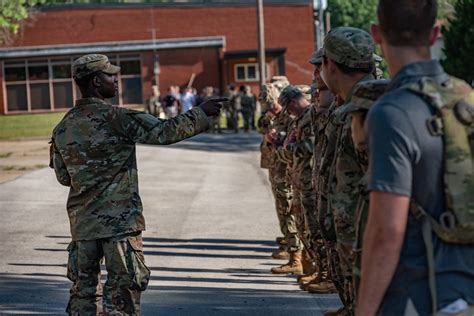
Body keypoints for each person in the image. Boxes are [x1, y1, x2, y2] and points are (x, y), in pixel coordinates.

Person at [49, 54, 224, 314]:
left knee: (83, 295)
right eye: (110, 75)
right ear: (97, 82)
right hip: (119, 224)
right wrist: (201, 112)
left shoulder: (63, 127)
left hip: (83, 225)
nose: (116, 79)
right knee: (122, 295)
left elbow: (64, 177)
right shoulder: (117, 118)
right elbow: (165, 132)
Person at [357, 0, 474, 315]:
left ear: (376, 34)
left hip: (420, 295)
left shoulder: (391, 112)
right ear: (435, 33)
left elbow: (386, 230)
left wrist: (364, 310)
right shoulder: (467, 98)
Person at [319, 26, 377, 315]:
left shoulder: (367, 108)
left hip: (365, 239)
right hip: (353, 235)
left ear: (330, 65)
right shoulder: (352, 105)